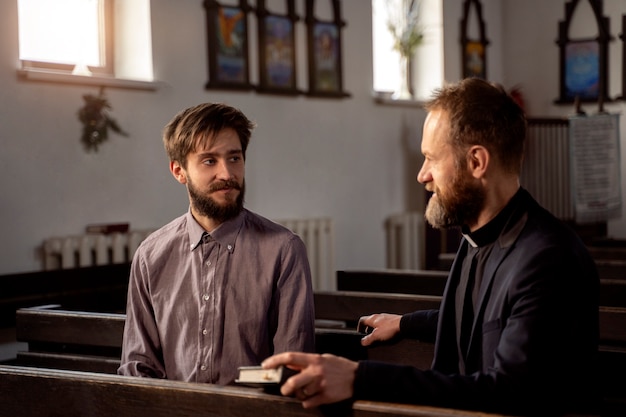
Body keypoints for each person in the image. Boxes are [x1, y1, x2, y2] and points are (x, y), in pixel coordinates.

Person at [261, 78, 599, 415]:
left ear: (477, 162)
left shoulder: (548, 258)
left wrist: (359, 377)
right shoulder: (477, 238)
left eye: (431, 158)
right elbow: (484, 319)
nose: (422, 175)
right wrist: (406, 323)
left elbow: (507, 393)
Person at [118, 102, 316, 385]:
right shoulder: (151, 256)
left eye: (234, 158)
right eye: (209, 161)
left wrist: (231, 397)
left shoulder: (284, 250)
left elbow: (290, 369)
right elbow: (139, 367)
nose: (226, 174)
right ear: (179, 171)